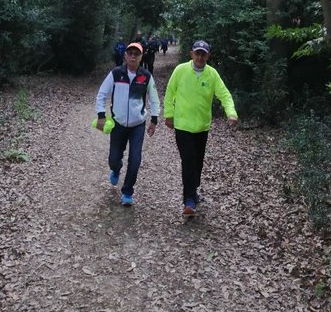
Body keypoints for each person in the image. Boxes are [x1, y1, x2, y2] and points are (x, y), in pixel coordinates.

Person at [164, 40, 238, 216]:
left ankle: (193, 189)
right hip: (183, 125)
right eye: (197, 53)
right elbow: (170, 91)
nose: (199, 57)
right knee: (189, 161)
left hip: (202, 127)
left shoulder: (212, 74)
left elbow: (224, 94)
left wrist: (231, 113)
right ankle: (189, 200)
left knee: (197, 162)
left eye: (203, 54)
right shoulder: (181, 70)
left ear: (208, 56)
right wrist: (169, 115)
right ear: (191, 54)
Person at [95, 42, 160, 206]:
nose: (132, 56)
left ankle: (127, 192)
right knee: (113, 159)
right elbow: (102, 94)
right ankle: (116, 169)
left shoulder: (146, 76)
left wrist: (154, 120)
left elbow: (154, 99)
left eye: (136, 54)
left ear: (141, 57)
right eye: (130, 53)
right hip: (118, 123)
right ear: (125, 56)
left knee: (135, 160)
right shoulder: (116, 73)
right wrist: (101, 115)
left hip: (138, 125)